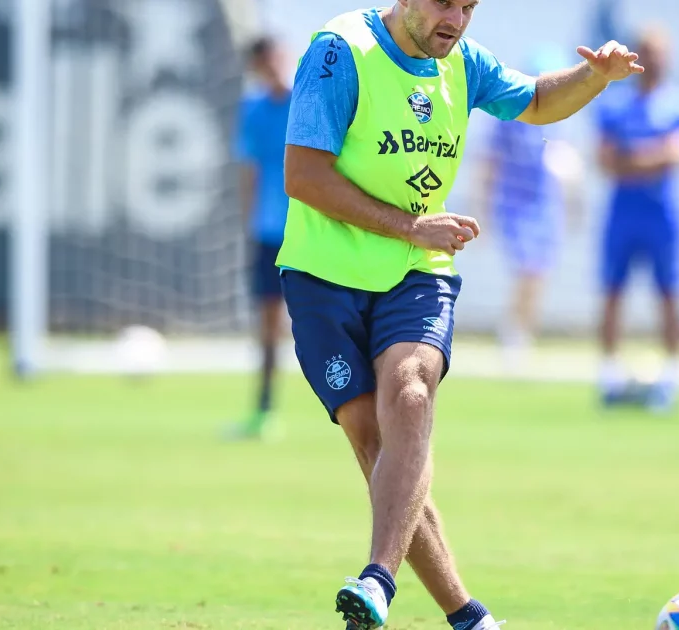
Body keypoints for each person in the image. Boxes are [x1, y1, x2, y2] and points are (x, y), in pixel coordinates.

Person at [277, 1, 643, 628]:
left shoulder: (463, 63)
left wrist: (593, 79)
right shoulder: (340, 52)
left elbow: (533, 101)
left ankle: (377, 579)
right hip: (323, 276)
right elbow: (303, 175)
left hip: (417, 269)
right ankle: (470, 617)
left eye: (469, 5)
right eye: (445, 1)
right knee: (372, 438)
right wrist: (411, 225)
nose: (457, 18)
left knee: (411, 394)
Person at [593, 24, 679, 411]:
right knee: (612, 293)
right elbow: (605, 159)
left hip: (662, 216)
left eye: (660, 54)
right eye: (648, 53)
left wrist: (634, 158)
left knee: (669, 294)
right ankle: (608, 376)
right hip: (623, 214)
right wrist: (655, 155)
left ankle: (671, 376)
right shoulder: (614, 103)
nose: (654, 61)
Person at [477, 49, 585, 372]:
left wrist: (574, 205)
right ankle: (514, 334)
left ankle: (521, 331)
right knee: (529, 268)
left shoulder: (556, 120)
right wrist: (482, 208)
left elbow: (566, 164)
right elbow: (490, 165)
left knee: (538, 273)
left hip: (543, 205)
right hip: (513, 204)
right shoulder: (507, 118)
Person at [228, 35, 293, 440]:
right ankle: (264, 409)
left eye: (276, 61)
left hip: (316, 228)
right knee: (269, 324)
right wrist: (248, 223)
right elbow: (248, 170)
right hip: (269, 232)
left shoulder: (307, 100)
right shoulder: (252, 110)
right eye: (264, 64)